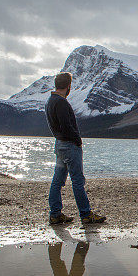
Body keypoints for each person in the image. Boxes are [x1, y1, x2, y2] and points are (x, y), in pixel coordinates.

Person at [46, 72, 106, 224]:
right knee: (77, 181)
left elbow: (55, 126)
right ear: (68, 86)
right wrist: (77, 140)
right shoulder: (61, 102)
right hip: (69, 146)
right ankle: (85, 214)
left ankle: (55, 214)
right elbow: (66, 125)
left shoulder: (50, 101)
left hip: (59, 144)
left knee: (58, 181)